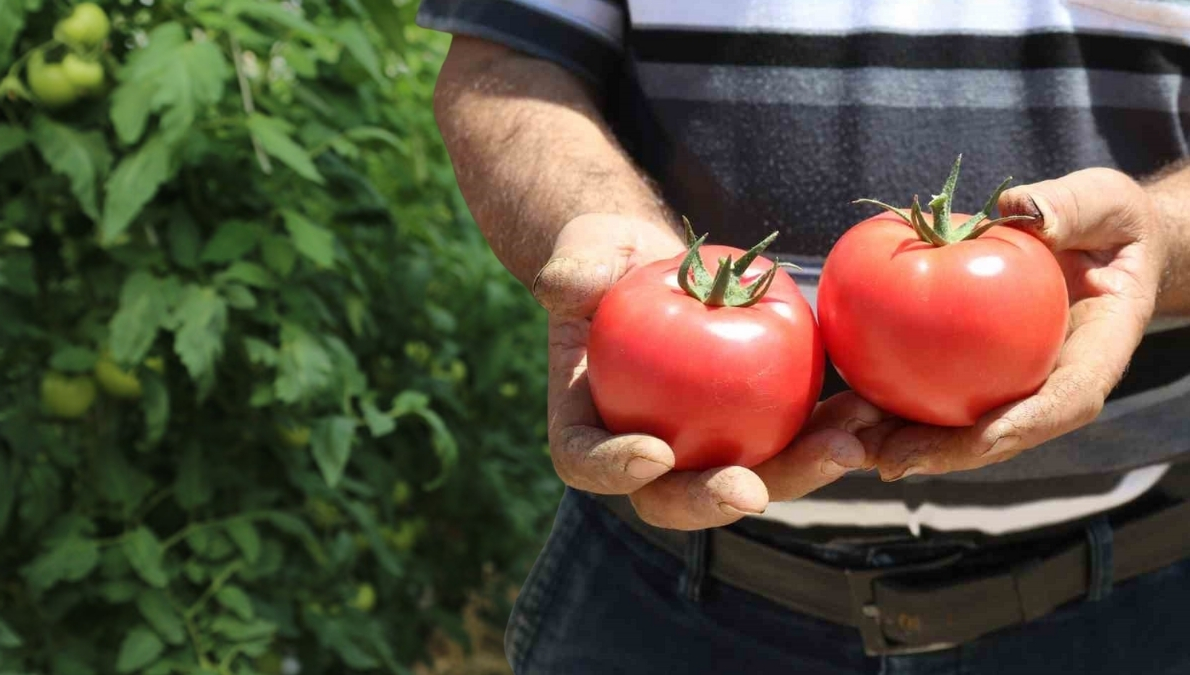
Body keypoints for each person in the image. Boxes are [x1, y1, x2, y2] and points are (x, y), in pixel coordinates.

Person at [419, 1, 1190, 672]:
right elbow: (507, 55)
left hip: (1142, 594)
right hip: (666, 600)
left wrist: (1160, 234)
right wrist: (598, 244)